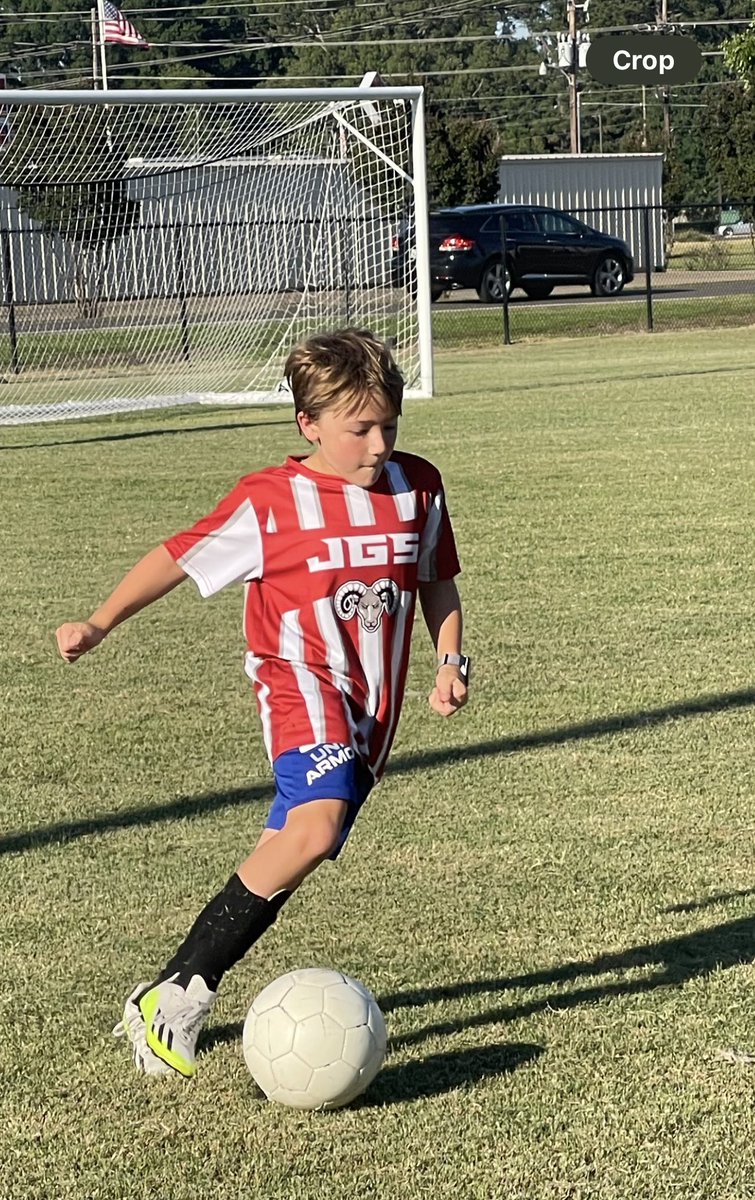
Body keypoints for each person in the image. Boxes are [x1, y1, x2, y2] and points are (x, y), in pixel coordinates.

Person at [55, 328, 469, 1079]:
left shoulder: (419, 486)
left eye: (388, 426)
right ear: (308, 425)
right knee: (313, 830)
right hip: (298, 684)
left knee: (294, 851)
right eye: (359, 429)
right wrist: (100, 620)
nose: (377, 445)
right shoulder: (271, 500)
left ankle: (167, 988)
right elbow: (178, 557)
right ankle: (177, 993)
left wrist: (448, 661)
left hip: (374, 709)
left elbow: (435, 578)